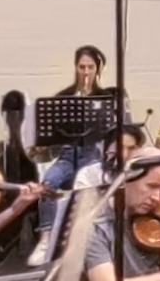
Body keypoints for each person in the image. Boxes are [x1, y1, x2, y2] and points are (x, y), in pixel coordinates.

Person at [43, 45, 116, 192]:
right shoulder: (64, 96)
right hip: (67, 156)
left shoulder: (105, 97)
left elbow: (110, 131)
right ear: (76, 68)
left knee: (86, 187)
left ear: (97, 69)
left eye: (91, 67)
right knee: (48, 184)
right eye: (82, 67)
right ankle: (50, 216)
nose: (86, 72)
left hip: (92, 155)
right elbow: (54, 133)